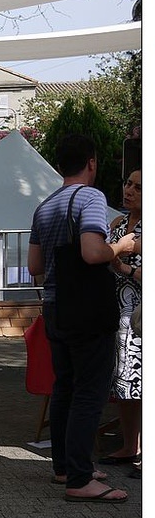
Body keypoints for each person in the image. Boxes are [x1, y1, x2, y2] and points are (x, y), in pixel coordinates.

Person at [28, 133, 137, 503]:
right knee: (89, 393)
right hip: (88, 310)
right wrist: (121, 246)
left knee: (65, 388)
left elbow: (35, 266)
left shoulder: (44, 206)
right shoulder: (90, 197)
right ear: (91, 162)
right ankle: (79, 477)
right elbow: (93, 253)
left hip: (56, 306)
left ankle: (65, 467)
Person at [99, 168, 142, 475]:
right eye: (128, 183)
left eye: (139, 187)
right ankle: (130, 445)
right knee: (126, 383)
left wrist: (121, 266)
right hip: (118, 316)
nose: (129, 190)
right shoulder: (116, 224)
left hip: (141, 314)